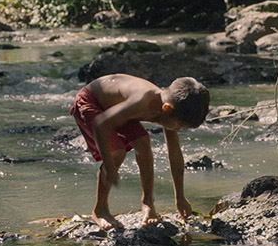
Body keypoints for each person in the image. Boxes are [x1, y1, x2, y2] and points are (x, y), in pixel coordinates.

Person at [70, 74, 210, 230]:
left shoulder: (167, 110)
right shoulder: (143, 101)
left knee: (143, 144)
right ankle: (100, 209)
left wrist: (180, 198)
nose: (178, 130)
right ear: (167, 109)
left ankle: (148, 203)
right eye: (179, 126)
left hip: (117, 108)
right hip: (91, 101)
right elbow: (101, 125)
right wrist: (110, 165)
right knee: (118, 152)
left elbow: (175, 155)